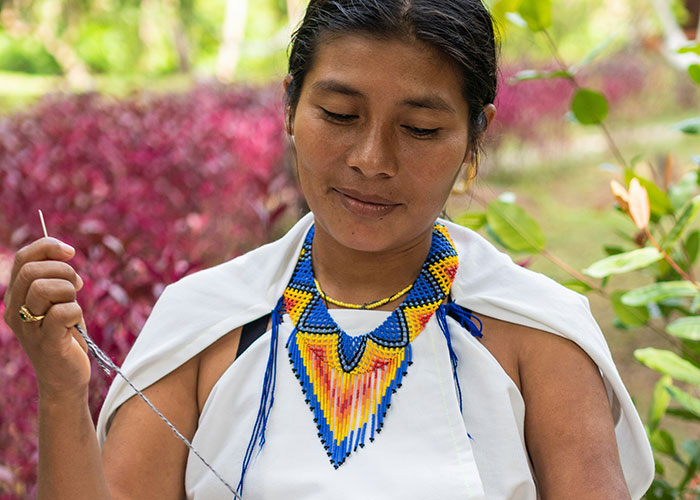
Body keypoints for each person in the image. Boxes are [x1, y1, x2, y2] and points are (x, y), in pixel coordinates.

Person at [3, 0, 654, 499]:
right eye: (340, 115)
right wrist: (61, 391)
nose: (371, 160)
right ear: (291, 105)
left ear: (475, 136)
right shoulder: (208, 319)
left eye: (420, 129)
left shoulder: (536, 336)